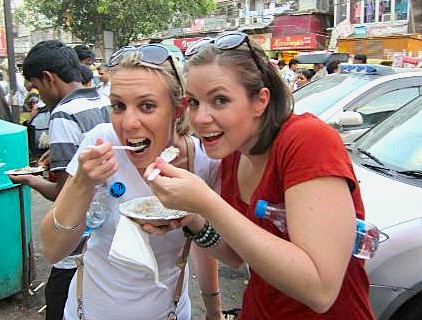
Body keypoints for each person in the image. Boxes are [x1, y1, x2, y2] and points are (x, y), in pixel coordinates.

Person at [146, 31, 376, 319]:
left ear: (260, 100)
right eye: (193, 102)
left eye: (219, 100)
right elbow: (234, 254)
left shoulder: (308, 141)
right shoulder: (233, 152)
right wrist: (191, 216)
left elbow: (320, 290)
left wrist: (206, 202)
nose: (201, 118)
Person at [40, 45, 223, 320]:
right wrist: (82, 183)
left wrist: (214, 310)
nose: (128, 123)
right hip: (88, 313)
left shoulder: (202, 162)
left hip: (171, 313)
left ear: (178, 109)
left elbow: (212, 249)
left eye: (147, 106)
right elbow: (54, 250)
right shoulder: (101, 143)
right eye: (118, 106)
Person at [7, 40, 111, 320]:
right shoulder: (103, 99)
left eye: (37, 86)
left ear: (49, 78)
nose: (39, 94)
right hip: (107, 237)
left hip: (76, 246)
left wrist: (30, 181)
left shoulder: (63, 114)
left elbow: (65, 194)